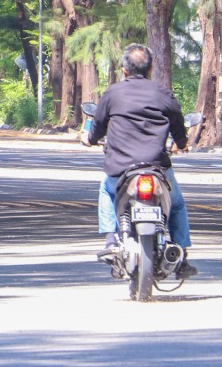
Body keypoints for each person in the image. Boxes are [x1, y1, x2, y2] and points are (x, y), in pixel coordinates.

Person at [81, 43, 195, 278]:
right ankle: (182, 253)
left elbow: (97, 131)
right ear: (151, 68)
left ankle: (111, 240)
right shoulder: (164, 95)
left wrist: (87, 138)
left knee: (106, 190)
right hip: (157, 167)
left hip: (120, 169)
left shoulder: (112, 94)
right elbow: (179, 132)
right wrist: (182, 144)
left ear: (124, 70)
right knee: (177, 205)